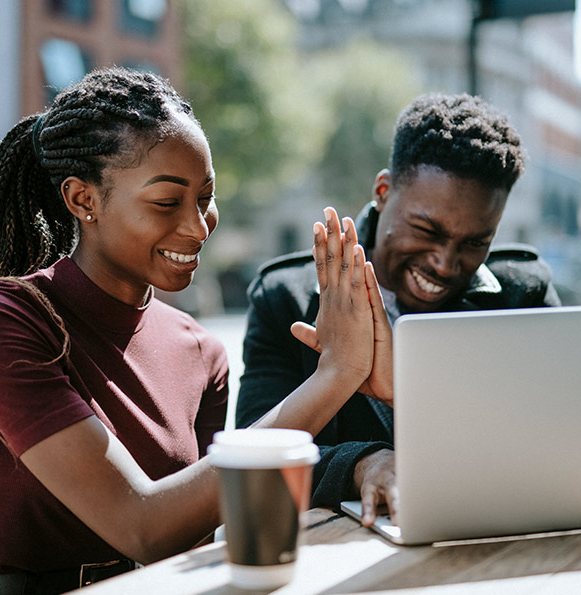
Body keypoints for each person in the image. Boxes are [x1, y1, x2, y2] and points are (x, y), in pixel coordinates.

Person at [0, 67, 386, 595]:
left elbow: (192, 536)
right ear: (84, 200)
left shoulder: (201, 351)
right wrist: (336, 374)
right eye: (167, 202)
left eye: (205, 197)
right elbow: (144, 525)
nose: (198, 227)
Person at [236, 92, 561, 527]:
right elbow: (254, 452)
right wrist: (361, 463)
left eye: (474, 243)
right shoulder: (286, 299)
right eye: (426, 230)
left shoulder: (524, 294)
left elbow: (555, 438)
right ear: (384, 191)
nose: (445, 264)